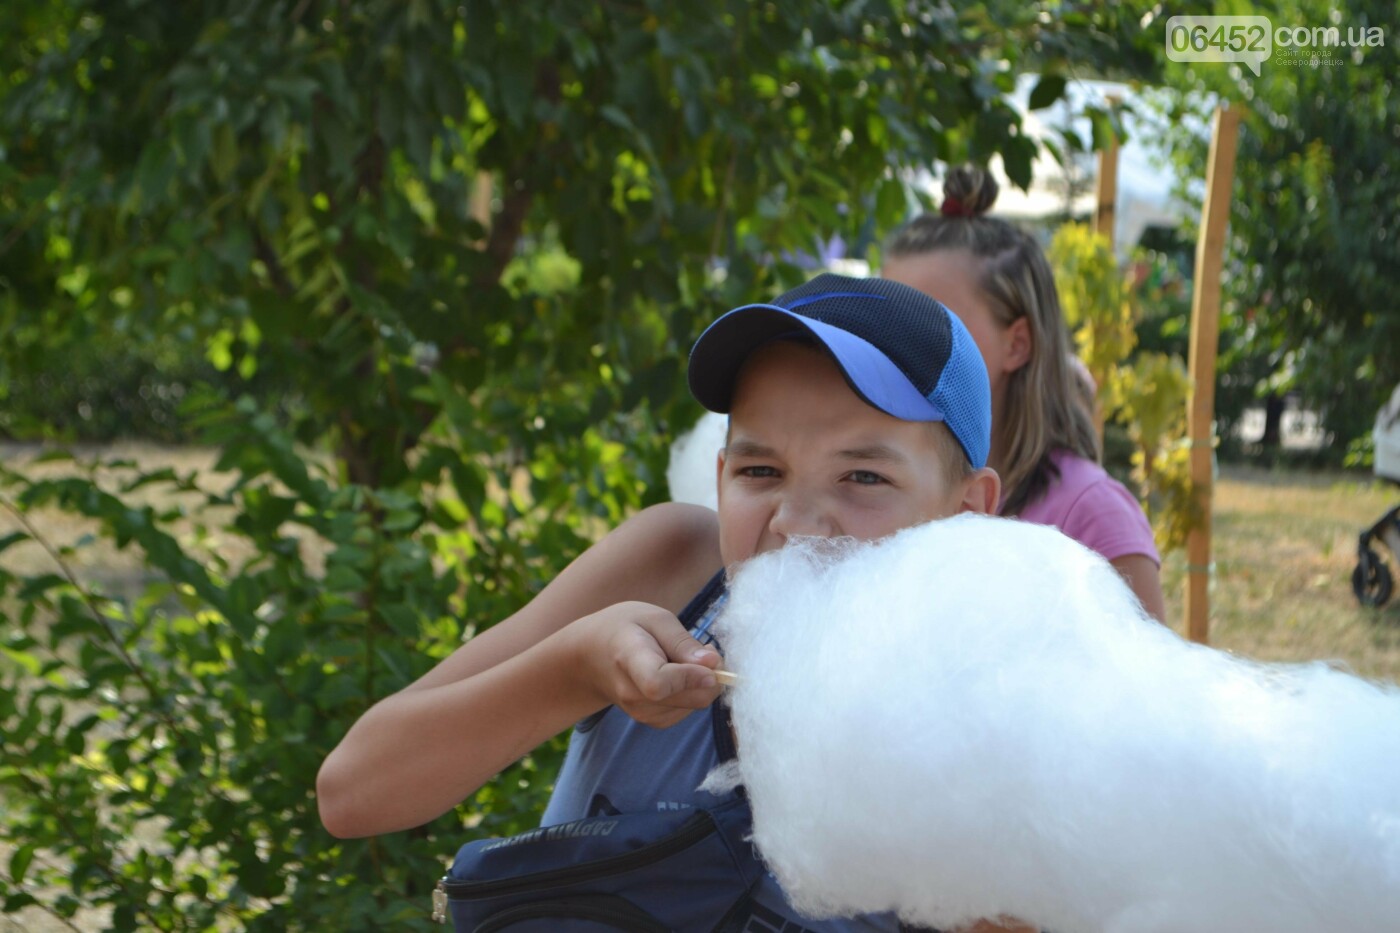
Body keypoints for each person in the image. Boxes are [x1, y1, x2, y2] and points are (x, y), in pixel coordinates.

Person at [317, 273, 1033, 930]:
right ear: (720, 478)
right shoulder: (674, 567)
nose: (793, 521)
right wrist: (577, 669)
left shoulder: (1009, 733)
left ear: (971, 512)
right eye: (760, 469)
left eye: (864, 477)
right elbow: (353, 791)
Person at [881, 166, 1166, 622]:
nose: (897, 348)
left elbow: (1150, 689)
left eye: (933, 324)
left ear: (1017, 344)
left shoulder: (1092, 515)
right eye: (885, 325)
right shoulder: (886, 484)